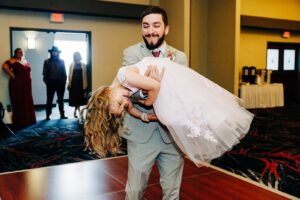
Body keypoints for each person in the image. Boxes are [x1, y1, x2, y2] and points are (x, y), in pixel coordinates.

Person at [88, 6, 188, 199]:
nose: (150, 30)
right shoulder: (131, 53)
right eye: (146, 26)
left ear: (166, 29)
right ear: (141, 28)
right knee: (134, 191)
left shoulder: (180, 57)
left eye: (156, 25)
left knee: (172, 192)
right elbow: (129, 94)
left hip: (171, 135)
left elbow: (179, 93)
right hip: (142, 135)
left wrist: (154, 89)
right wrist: (148, 94)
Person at [83, 56, 254, 167]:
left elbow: (155, 86)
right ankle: (209, 124)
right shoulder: (122, 93)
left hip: (166, 78)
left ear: (108, 93)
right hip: (160, 83)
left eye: (120, 103)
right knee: (173, 116)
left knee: (175, 112)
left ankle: (217, 121)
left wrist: (148, 102)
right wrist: (145, 115)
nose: (124, 104)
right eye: (121, 108)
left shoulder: (125, 76)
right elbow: (132, 109)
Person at [2, 48, 36, 128]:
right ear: (15, 53)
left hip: (26, 84)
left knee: (27, 100)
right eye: (18, 52)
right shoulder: (13, 60)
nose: (20, 53)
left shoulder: (24, 61)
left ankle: (28, 120)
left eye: (21, 52)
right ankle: (21, 121)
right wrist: (12, 75)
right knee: (20, 100)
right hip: (18, 84)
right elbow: (4, 66)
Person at [43, 46, 68, 120]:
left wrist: (64, 81)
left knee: (61, 99)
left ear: (58, 53)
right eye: (53, 52)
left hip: (61, 83)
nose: (54, 53)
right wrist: (48, 83)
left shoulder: (62, 61)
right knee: (49, 100)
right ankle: (48, 115)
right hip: (51, 83)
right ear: (51, 52)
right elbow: (45, 74)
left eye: (56, 52)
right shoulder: (47, 61)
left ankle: (62, 114)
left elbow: (64, 73)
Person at [68, 52, 88, 118]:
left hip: (81, 84)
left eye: (78, 55)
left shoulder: (83, 65)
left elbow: (85, 76)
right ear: (74, 57)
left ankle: (76, 112)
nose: (77, 57)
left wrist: (85, 85)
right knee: (75, 99)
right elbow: (69, 75)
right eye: (75, 56)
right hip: (74, 84)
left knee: (79, 98)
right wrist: (69, 83)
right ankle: (79, 112)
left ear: (80, 56)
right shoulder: (71, 64)